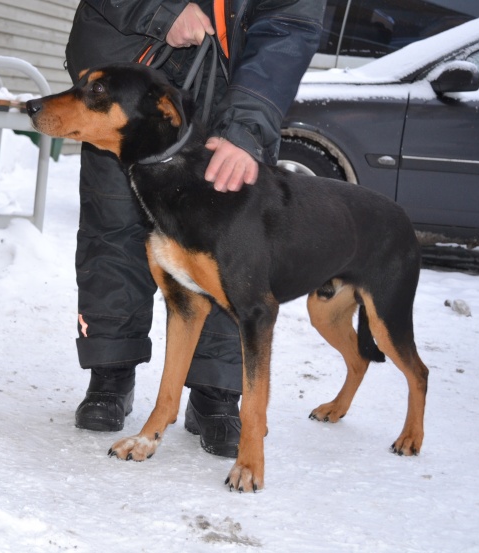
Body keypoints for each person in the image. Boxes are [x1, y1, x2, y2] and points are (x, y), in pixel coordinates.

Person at [64, 0, 326, 458]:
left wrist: (247, 125)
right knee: (114, 223)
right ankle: (111, 367)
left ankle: (216, 388)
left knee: (232, 240)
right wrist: (159, 11)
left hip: (234, 75)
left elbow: (290, 21)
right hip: (130, 59)